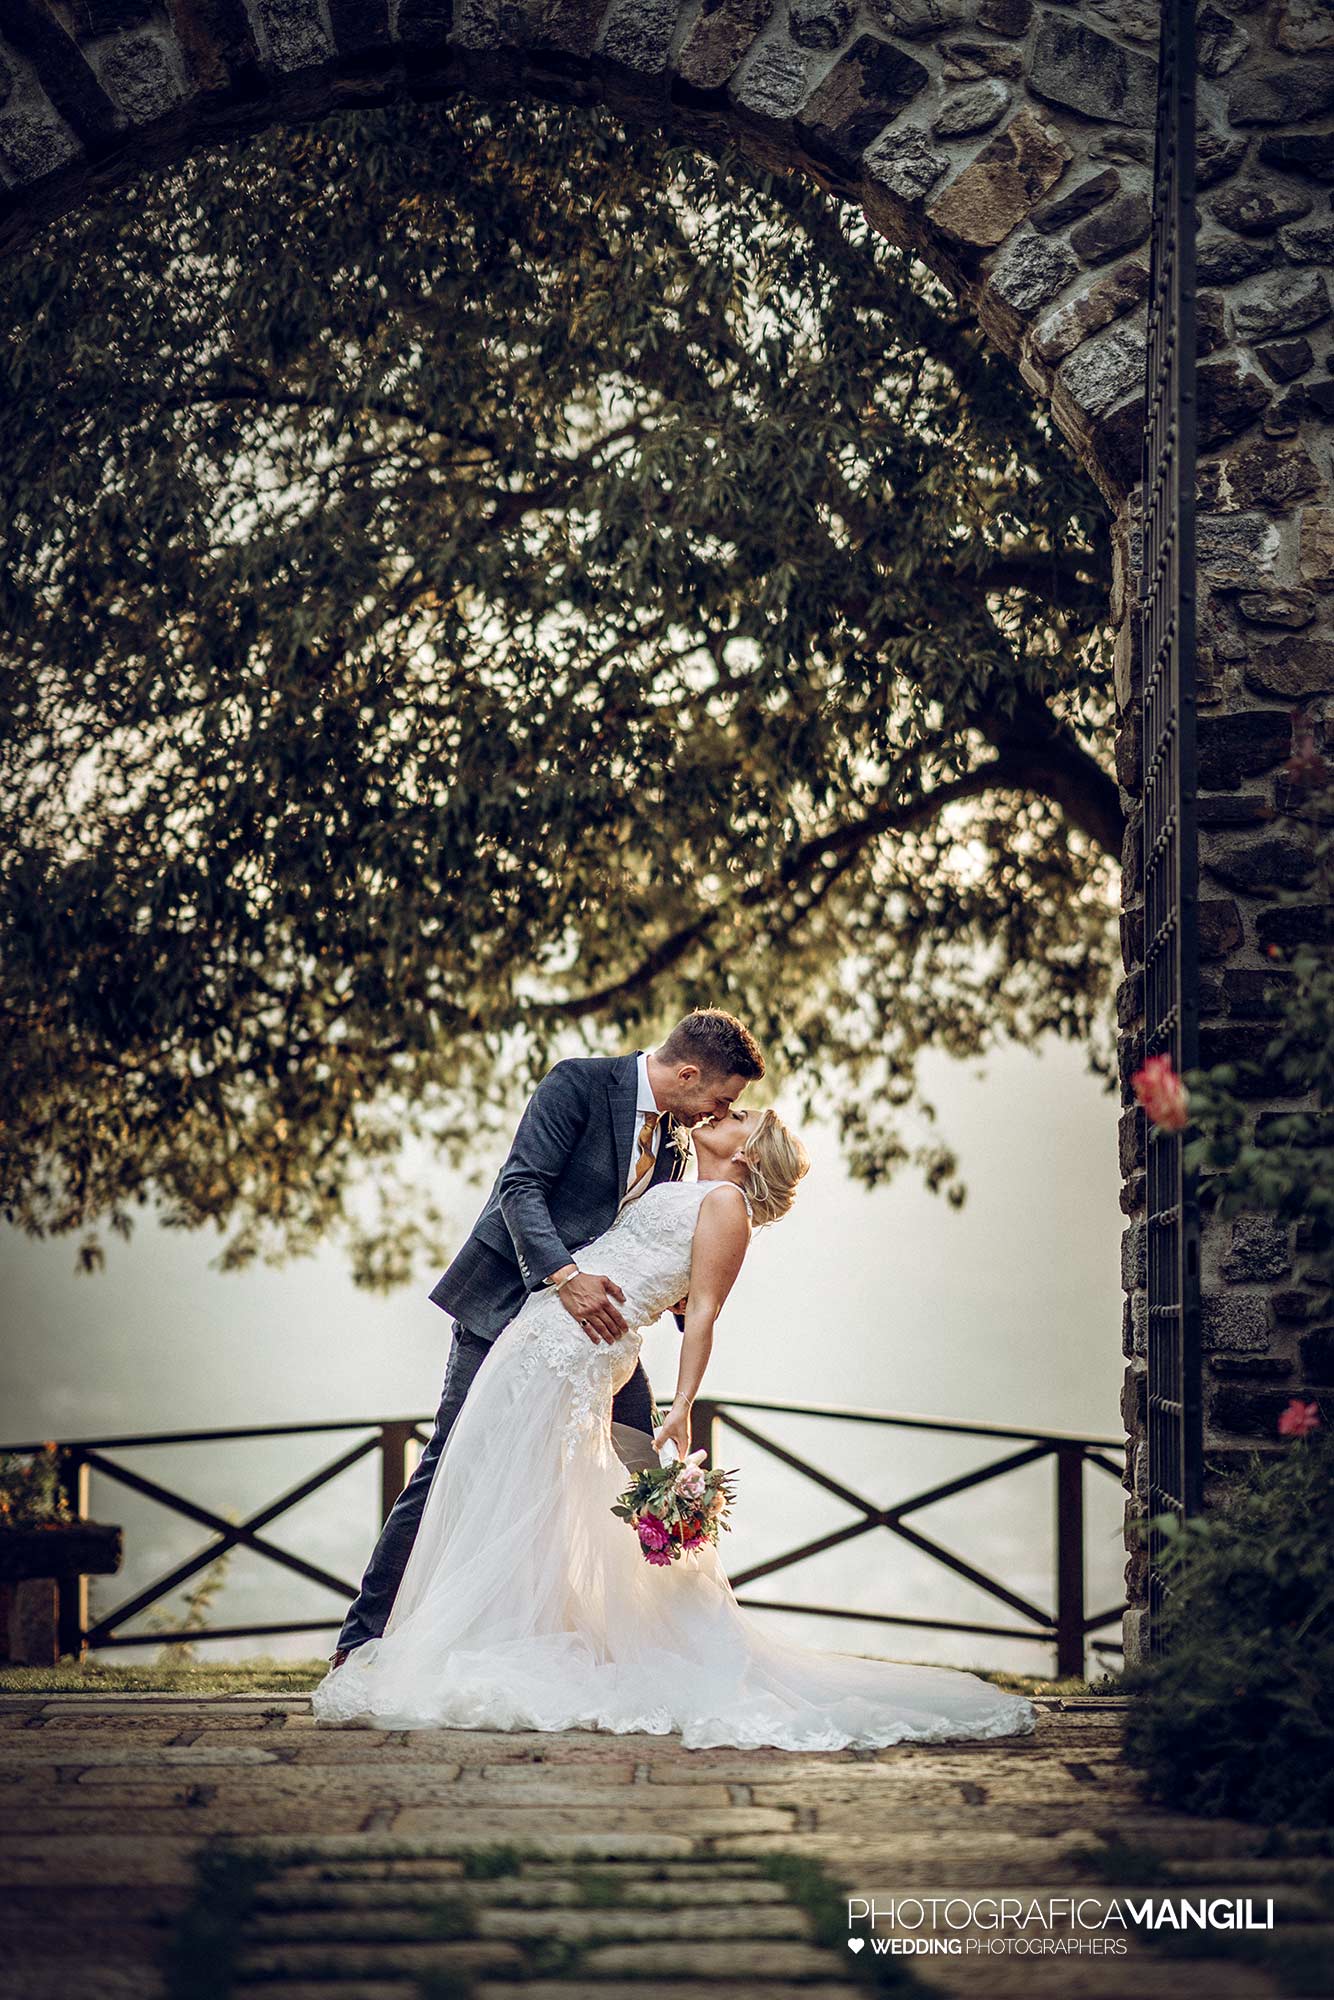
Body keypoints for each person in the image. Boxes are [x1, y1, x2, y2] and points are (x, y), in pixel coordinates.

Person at [311, 1103, 1038, 1749]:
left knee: (524, 1486)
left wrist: (683, 1404)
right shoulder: (680, 1175)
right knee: (506, 1482)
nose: (726, 1111)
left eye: (741, 1115)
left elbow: (705, 1314)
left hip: (582, 1351)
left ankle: (507, 1639)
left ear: (748, 1152)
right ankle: (511, 1630)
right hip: (543, 1331)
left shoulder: (726, 1207)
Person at [327, 1008, 766, 1667]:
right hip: (509, 1305)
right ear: (687, 1073)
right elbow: (520, 1187)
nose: (719, 1113)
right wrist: (565, 1277)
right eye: (721, 1099)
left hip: (597, 1340)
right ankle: (361, 1640)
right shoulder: (578, 1085)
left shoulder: (676, 1146)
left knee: (649, 1475)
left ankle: (681, 1651)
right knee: (450, 1462)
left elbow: (646, 1242)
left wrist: (678, 1296)